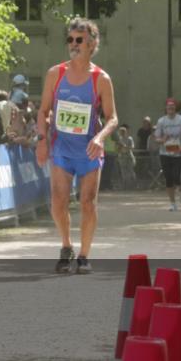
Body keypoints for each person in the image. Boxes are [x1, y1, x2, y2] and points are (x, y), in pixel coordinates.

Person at [36, 18, 118, 274]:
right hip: (61, 149)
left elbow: (113, 118)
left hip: (88, 150)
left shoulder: (101, 79)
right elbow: (43, 111)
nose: (73, 44)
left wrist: (100, 137)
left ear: (92, 43)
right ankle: (66, 246)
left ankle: (84, 255)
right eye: (70, 39)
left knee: (87, 203)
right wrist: (42, 139)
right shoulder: (55, 74)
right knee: (58, 202)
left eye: (79, 40)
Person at [154, 98, 181, 211]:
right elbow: (157, 138)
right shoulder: (161, 121)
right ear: (165, 109)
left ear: (175, 108)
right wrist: (162, 139)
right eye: (168, 107)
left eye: (172, 106)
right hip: (165, 153)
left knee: (176, 176)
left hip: (178, 153)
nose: (170, 108)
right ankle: (173, 204)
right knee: (168, 179)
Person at [117, 125, 137, 189]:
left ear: (126, 132)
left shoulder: (129, 139)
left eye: (123, 131)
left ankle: (134, 185)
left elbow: (132, 147)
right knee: (123, 172)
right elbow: (117, 148)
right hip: (122, 157)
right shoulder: (119, 139)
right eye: (121, 131)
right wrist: (119, 147)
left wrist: (126, 147)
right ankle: (125, 186)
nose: (122, 133)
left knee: (131, 171)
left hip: (129, 157)